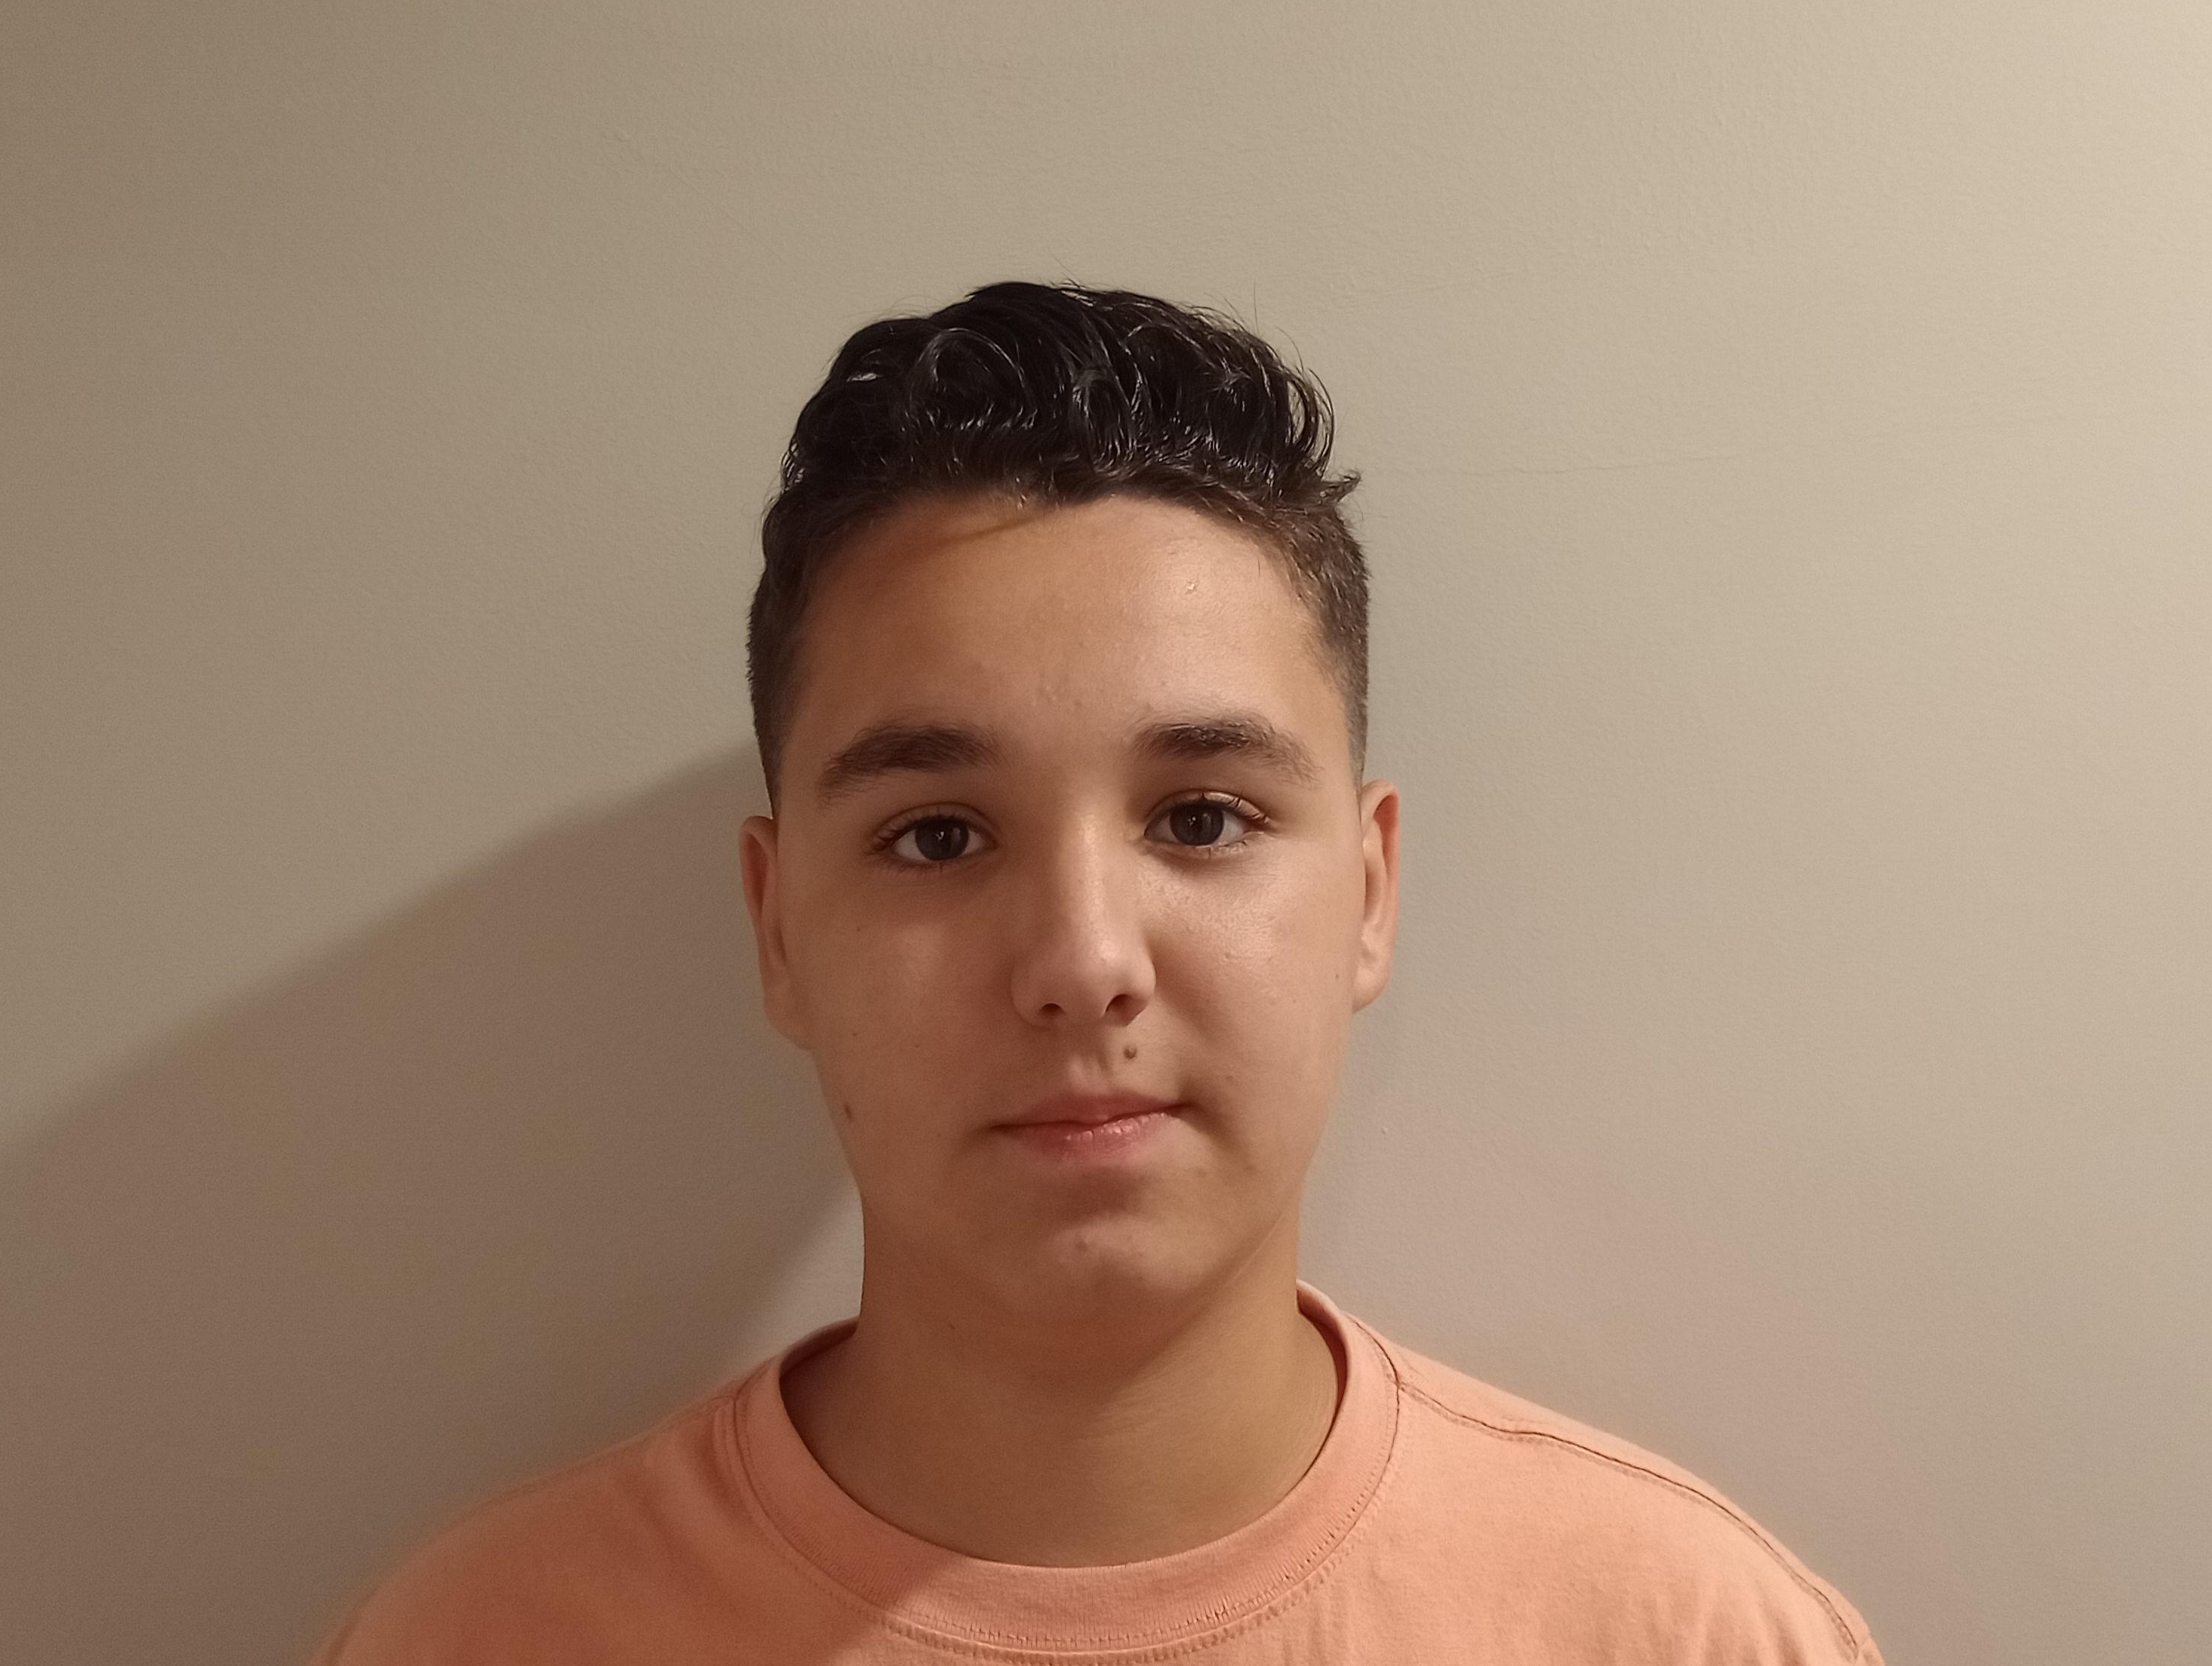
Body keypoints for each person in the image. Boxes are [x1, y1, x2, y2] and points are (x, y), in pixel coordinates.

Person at [314, 282, 1884, 1663]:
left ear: (1368, 890)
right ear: (778, 928)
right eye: (938, 836)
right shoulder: (484, 1640)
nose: (1081, 963)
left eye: (1202, 817)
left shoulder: (1688, 1634)